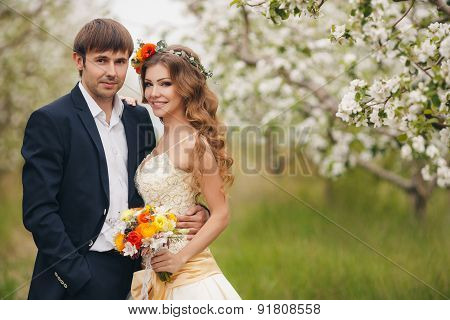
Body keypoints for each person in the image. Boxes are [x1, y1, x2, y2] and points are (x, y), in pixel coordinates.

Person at [21, 19, 209, 300]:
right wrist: (77, 273)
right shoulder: (51, 121)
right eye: (101, 60)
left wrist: (200, 211)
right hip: (75, 277)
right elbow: (39, 212)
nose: (112, 72)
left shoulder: (139, 118)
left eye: (120, 62)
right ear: (79, 60)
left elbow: (154, 182)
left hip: (134, 273)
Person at [129, 40, 240, 299]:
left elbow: (221, 214)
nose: (153, 93)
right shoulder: (161, 138)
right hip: (151, 276)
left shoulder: (195, 144)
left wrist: (179, 259)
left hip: (189, 279)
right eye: (149, 84)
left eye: (165, 84)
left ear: (186, 88)